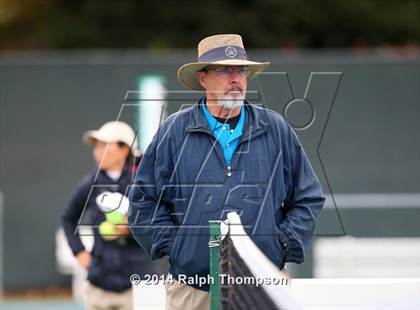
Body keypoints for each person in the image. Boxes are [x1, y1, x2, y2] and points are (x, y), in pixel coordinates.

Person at [128, 34, 325, 310]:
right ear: (203, 78)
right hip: (193, 290)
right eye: (224, 70)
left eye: (241, 70)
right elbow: (142, 202)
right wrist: (177, 248)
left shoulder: (276, 128)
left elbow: (308, 197)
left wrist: (282, 245)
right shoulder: (173, 132)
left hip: (265, 283)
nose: (235, 78)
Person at [62, 121, 156, 310]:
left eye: (104, 145)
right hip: (100, 285)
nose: (97, 150)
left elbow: (160, 221)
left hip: (138, 285)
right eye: (96, 146)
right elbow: (68, 218)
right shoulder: (89, 183)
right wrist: (79, 251)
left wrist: (132, 227)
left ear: (124, 150)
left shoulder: (145, 183)